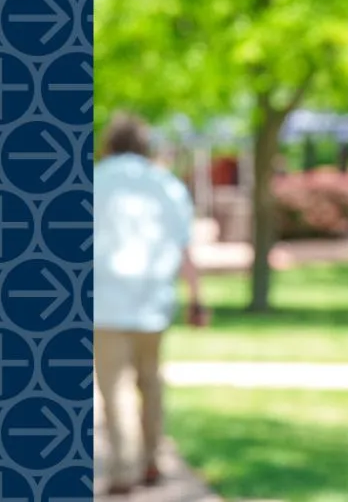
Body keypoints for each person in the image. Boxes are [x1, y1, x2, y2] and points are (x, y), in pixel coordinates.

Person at [93, 112, 207, 496]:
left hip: (105, 300)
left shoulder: (95, 181)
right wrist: (197, 298)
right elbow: (184, 247)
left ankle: (124, 468)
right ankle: (150, 458)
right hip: (153, 298)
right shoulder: (167, 185)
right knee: (150, 382)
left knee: (115, 389)